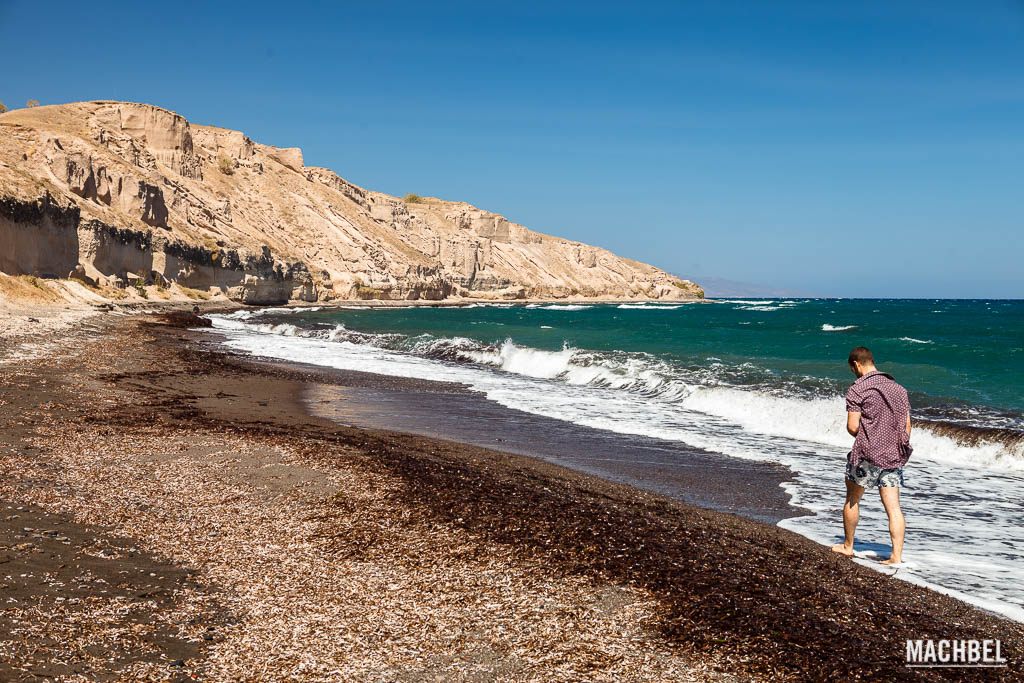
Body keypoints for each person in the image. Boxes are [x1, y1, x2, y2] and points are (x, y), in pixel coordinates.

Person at [830, 346, 912, 564]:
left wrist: (872, 433)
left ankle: (848, 546)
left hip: (867, 453)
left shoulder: (858, 388)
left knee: (853, 498)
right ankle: (896, 556)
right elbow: (907, 427)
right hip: (894, 454)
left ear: (856, 365)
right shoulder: (899, 389)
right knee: (894, 507)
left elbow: (852, 427)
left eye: (852, 369)